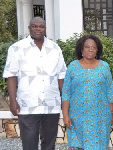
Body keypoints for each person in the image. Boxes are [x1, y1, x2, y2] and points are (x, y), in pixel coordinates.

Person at [2, 17, 67, 150]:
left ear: (45, 29)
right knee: (29, 144)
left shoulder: (55, 48)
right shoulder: (16, 48)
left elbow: (61, 76)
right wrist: (13, 101)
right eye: (34, 26)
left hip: (51, 104)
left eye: (41, 26)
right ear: (29, 28)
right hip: (27, 105)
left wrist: (65, 99)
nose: (38, 29)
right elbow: (11, 75)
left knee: (49, 144)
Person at [61, 35, 113, 149]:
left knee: (99, 145)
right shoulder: (73, 66)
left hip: (100, 116)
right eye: (87, 47)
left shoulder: (104, 66)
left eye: (94, 47)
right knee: (82, 145)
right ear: (81, 49)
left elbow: (110, 91)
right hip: (78, 116)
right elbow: (66, 93)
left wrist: (111, 114)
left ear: (97, 50)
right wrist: (65, 115)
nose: (90, 49)